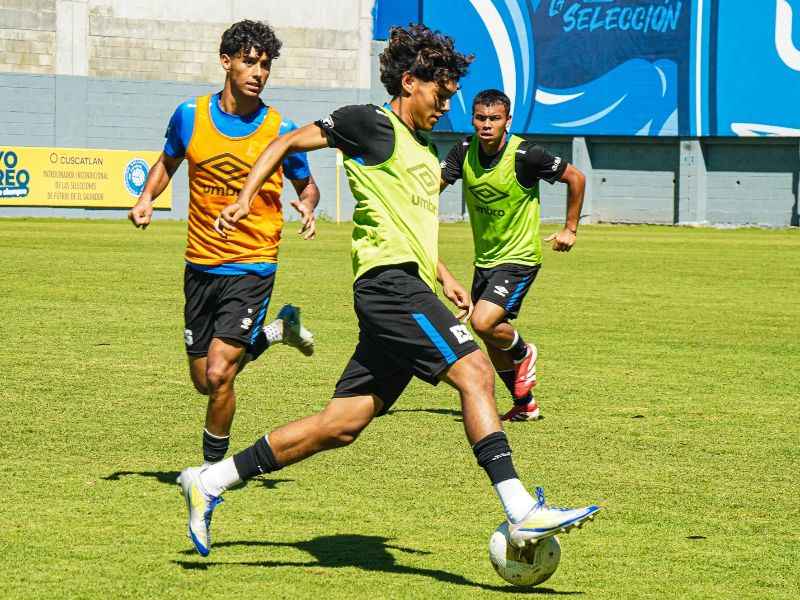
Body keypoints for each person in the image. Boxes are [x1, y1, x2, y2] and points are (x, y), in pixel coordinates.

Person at [178, 24, 600, 558]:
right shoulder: (370, 124)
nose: (446, 108)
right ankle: (520, 507)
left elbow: (411, 227)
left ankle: (210, 481)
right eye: (440, 96)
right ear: (409, 82)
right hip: (387, 286)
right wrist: (244, 197)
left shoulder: (424, 150)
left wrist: (444, 276)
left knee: (342, 424)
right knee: (474, 371)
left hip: (410, 284)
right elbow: (285, 140)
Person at [128, 20, 319, 466]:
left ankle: (212, 474)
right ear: (226, 61)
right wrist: (145, 199)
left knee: (219, 374)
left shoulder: (281, 128)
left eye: (266, 65)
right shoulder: (189, 116)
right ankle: (279, 331)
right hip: (200, 264)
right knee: (202, 379)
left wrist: (308, 207)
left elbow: (306, 185)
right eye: (250, 62)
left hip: (253, 264)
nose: (258, 72)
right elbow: (166, 163)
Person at [440, 89, 586, 422]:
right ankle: (525, 404)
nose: (486, 125)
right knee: (491, 337)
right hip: (485, 260)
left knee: (483, 321)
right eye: (480, 118)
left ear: (508, 120)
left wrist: (570, 229)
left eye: (494, 119)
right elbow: (433, 184)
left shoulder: (525, 154)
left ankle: (524, 352)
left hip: (519, 258)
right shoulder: (463, 150)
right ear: (473, 119)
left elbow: (576, 177)